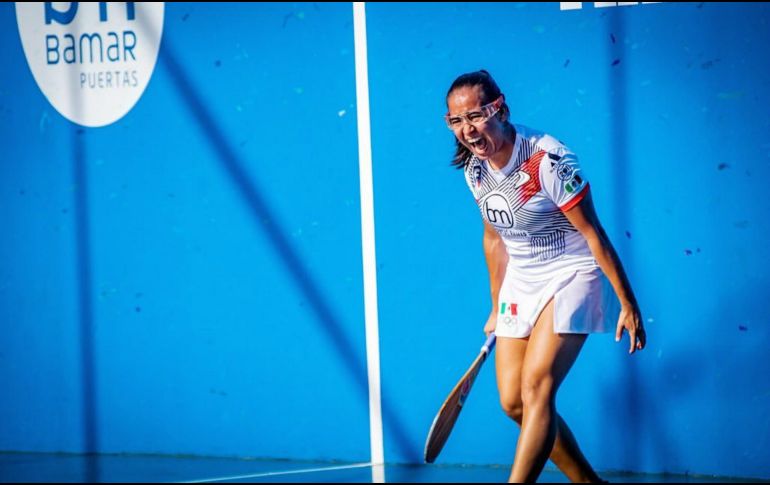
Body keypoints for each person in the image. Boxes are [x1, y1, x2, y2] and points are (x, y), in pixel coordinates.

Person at [444, 70, 646, 483]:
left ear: (500, 109)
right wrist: (496, 306)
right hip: (523, 276)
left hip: (574, 271)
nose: (467, 130)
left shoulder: (548, 161)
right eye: (456, 121)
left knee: (537, 389)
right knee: (513, 402)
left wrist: (628, 302)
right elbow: (493, 239)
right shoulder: (474, 169)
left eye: (476, 116)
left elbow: (594, 234)